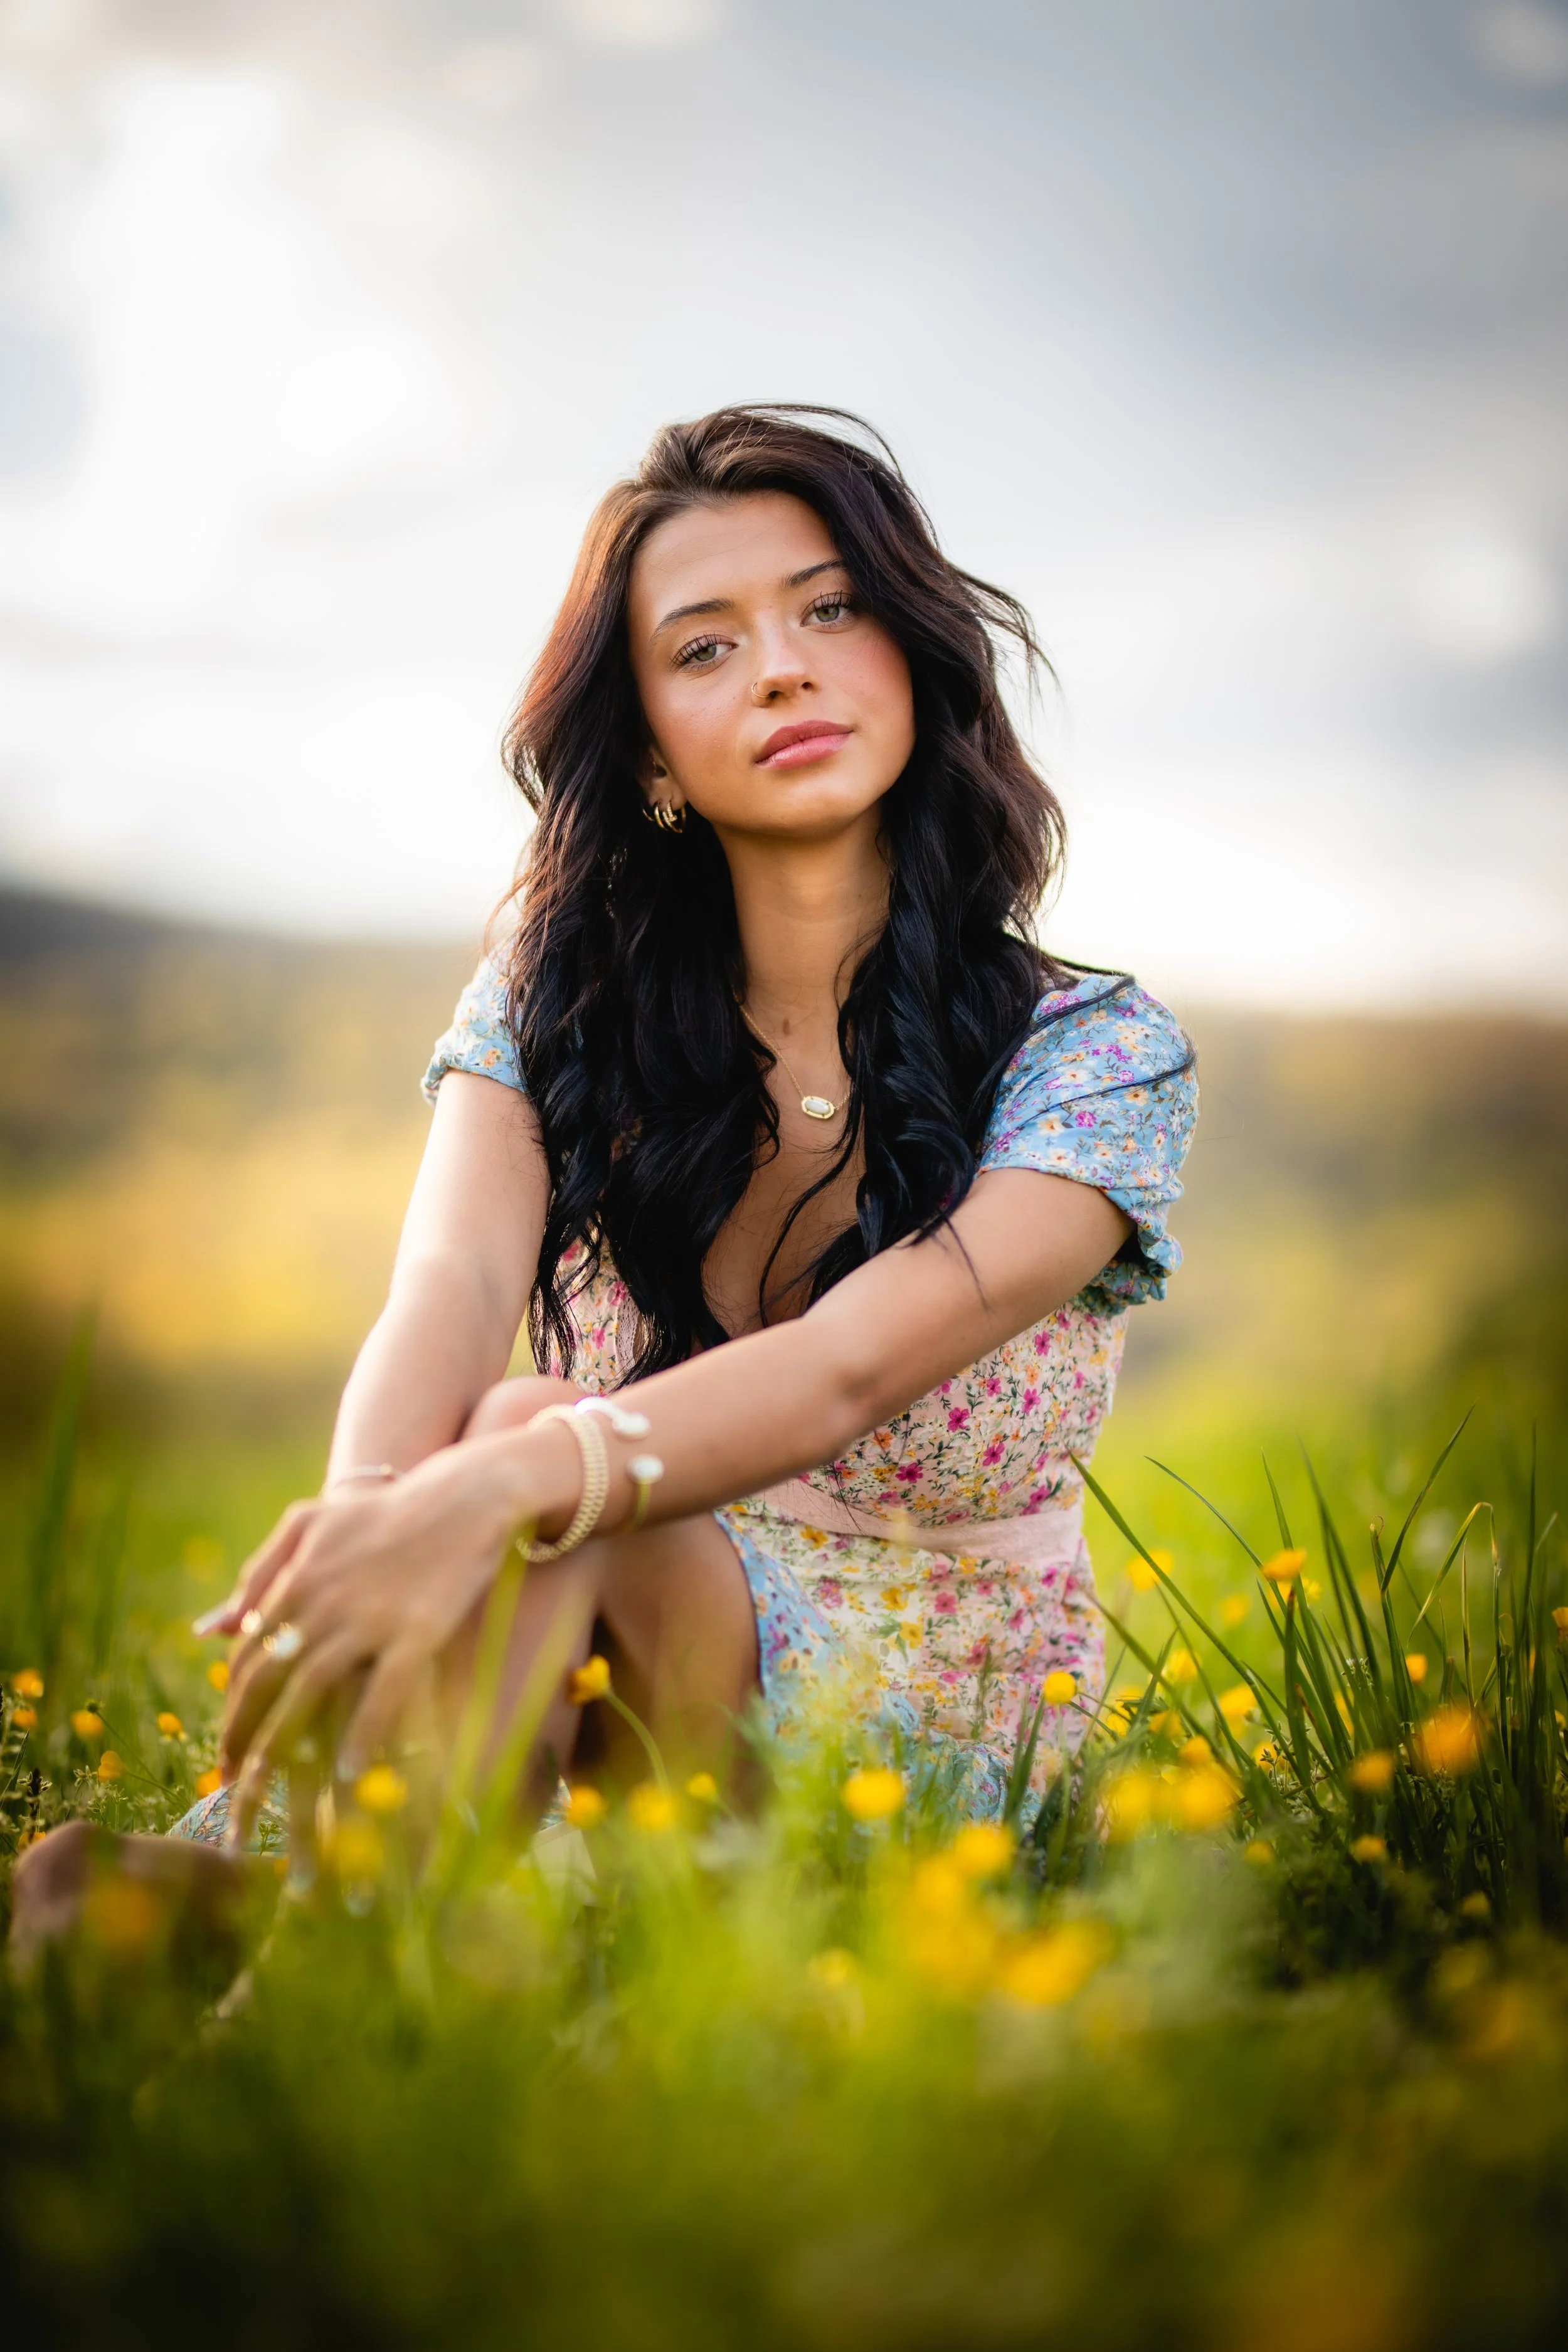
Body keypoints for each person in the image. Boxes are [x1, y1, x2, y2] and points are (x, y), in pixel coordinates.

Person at [178, 403, 1195, 1850]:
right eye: (704, 649)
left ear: (911, 657)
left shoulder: (1093, 1058)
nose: (781, 667)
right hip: (566, 1647)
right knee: (86, 1891)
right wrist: (369, 1529)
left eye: (828, 610)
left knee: (540, 1444)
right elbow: (451, 1285)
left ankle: (357, 1954)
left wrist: (496, 1483)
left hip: (921, 1715)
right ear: (650, 755)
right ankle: (375, 1913)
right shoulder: (550, 1001)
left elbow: (844, 1371)